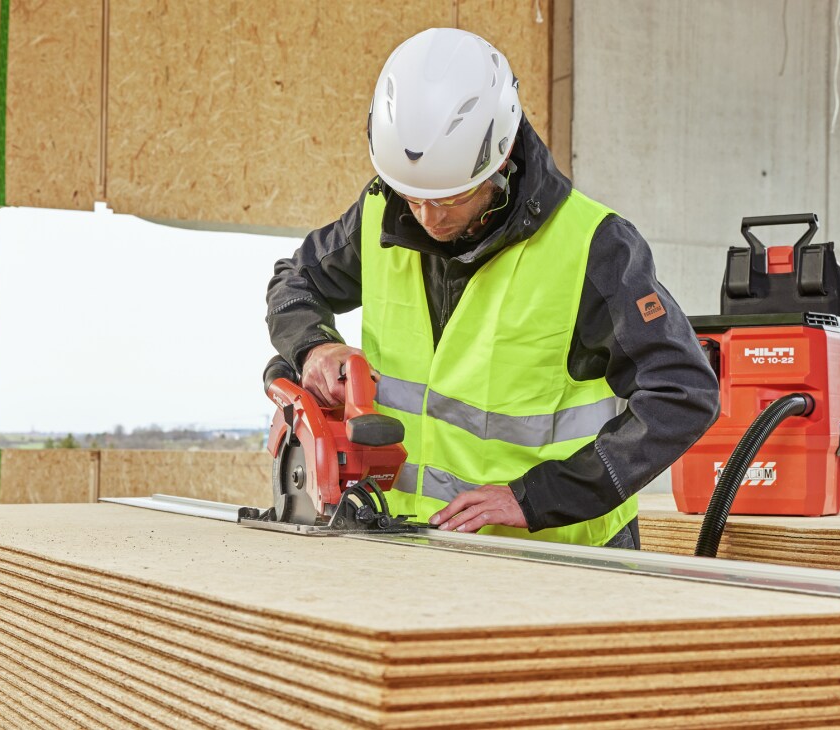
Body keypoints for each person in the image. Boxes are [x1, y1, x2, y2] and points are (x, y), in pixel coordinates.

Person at [266, 28, 718, 548]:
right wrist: (314, 346)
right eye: (411, 195)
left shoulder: (594, 247)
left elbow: (683, 394)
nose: (426, 216)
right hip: (410, 549)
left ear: (499, 160)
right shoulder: (380, 213)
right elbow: (294, 281)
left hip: (562, 565)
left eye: (450, 197)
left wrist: (536, 497)